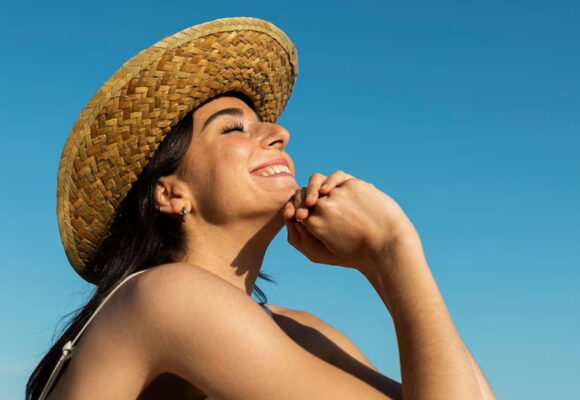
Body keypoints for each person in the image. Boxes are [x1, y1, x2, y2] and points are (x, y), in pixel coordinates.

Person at [26, 17, 496, 400]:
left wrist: (379, 262)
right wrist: (395, 247)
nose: (279, 133)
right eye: (233, 129)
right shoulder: (166, 296)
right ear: (170, 194)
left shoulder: (298, 331)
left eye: (266, 124)